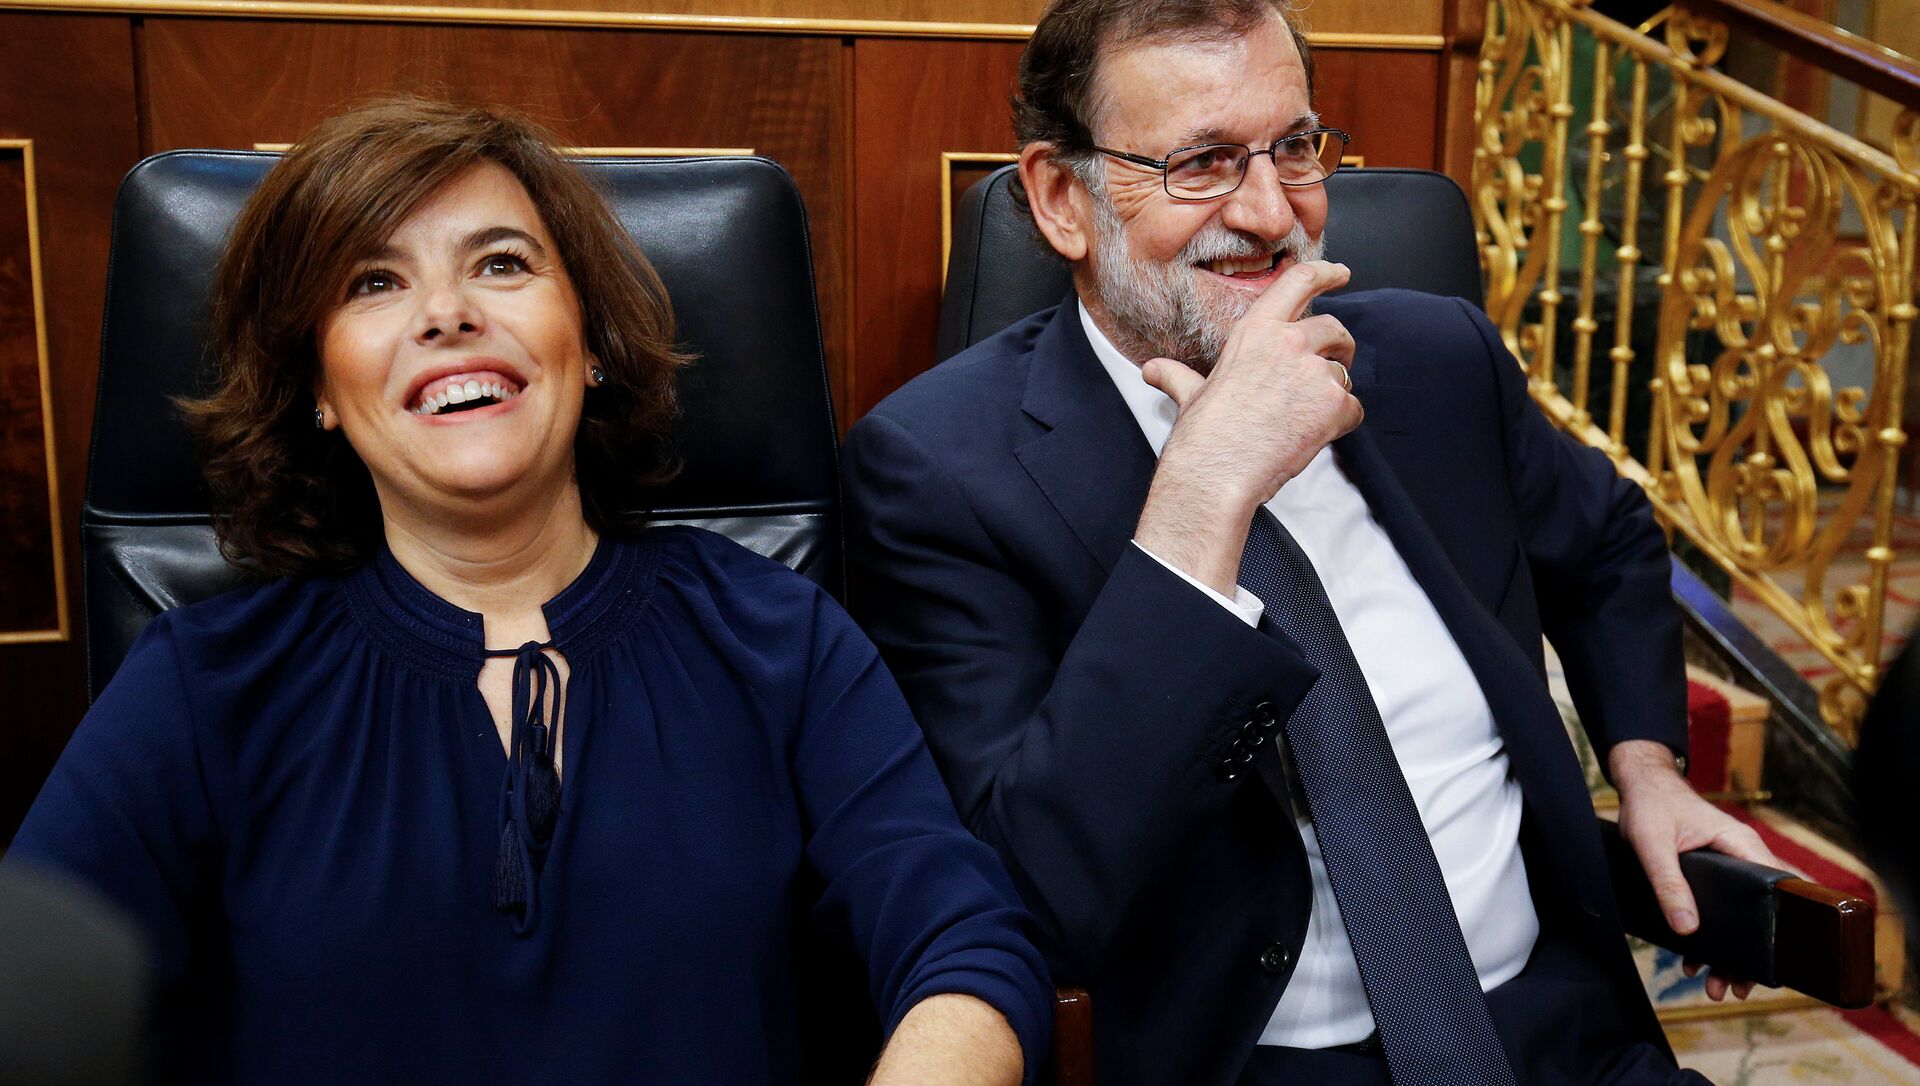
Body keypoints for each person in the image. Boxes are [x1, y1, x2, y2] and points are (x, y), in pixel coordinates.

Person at [6, 97, 1049, 1084]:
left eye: (501, 263)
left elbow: (966, 947)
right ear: (318, 386)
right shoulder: (204, 687)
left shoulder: (778, 637)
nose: (446, 313)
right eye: (372, 282)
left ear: (589, 342)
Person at [840, 2, 1783, 1083]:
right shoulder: (936, 472)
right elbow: (1031, 891)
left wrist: (1649, 765)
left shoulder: (1435, 362)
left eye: (1293, 147)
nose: (1268, 211)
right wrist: (1202, 499)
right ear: (1062, 198)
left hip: (1558, 1036)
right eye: (1201, 163)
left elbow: (1609, 541)